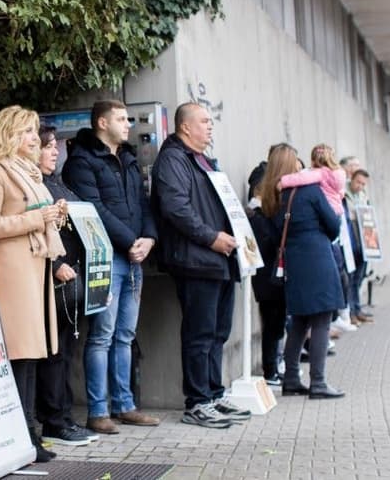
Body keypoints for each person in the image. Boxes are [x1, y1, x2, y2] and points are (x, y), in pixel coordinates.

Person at [62, 100, 159, 435]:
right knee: (102, 335)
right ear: (102, 123)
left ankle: (125, 405)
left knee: (126, 335)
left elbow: (143, 203)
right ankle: (98, 411)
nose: (128, 124)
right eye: (120, 119)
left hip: (135, 257)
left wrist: (148, 238)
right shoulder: (82, 161)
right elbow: (93, 208)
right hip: (106, 258)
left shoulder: (129, 158)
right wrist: (132, 240)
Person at [151, 102, 248, 429]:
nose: (210, 126)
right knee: (199, 333)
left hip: (219, 260)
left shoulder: (204, 160)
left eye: (210, 121)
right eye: (204, 121)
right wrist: (211, 238)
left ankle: (214, 394)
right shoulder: (173, 160)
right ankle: (197, 402)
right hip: (197, 261)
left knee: (218, 332)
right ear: (185, 127)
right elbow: (176, 208)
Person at [0, 105, 66, 462]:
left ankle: (29, 434)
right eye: (27, 132)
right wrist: (35, 218)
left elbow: (34, 218)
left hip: (34, 267)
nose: (34, 138)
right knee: (20, 355)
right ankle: (22, 435)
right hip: (13, 271)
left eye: (34, 132)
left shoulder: (30, 174)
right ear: (8, 135)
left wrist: (53, 216)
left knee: (32, 355)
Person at [260, 145, 345, 399]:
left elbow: (276, 232)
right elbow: (333, 227)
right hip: (317, 259)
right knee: (321, 320)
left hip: (294, 262)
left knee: (298, 321)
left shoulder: (273, 196)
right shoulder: (310, 190)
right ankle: (318, 383)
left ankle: (292, 379)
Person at [34, 126, 98, 447]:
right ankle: (54, 421)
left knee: (65, 352)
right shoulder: (36, 186)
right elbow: (35, 234)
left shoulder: (58, 181)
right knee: (53, 354)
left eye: (55, 146)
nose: (55, 151)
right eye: (47, 146)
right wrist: (56, 266)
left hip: (72, 280)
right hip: (52, 282)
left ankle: (64, 417)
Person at [246, 143, 295, 386]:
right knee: (273, 321)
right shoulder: (268, 195)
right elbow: (271, 233)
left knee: (276, 321)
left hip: (271, 266)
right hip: (269, 268)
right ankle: (270, 370)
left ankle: (274, 367)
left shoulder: (273, 194)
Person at [279, 144, 345, 215]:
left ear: (313, 161)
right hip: (338, 210)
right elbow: (341, 192)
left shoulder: (320, 173)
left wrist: (283, 182)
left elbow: (301, 178)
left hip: (326, 210)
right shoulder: (338, 173)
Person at [345, 169, 373, 325]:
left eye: (363, 184)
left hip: (364, 243)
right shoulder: (344, 193)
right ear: (352, 179)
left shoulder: (363, 196)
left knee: (359, 278)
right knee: (349, 279)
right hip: (351, 242)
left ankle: (357, 308)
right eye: (358, 182)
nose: (360, 186)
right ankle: (350, 313)